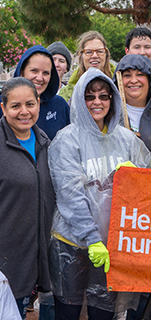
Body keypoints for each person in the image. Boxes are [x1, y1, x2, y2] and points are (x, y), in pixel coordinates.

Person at [48, 67, 151, 319]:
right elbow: (69, 194)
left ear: (113, 99)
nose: (97, 102)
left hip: (113, 245)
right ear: (79, 100)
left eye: (103, 96)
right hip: (71, 243)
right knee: (68, 312)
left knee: (103, 313)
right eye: (90, 96)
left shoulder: (127, 140)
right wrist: (91, 238)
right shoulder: (67, 140)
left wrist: (137, 176)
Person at [0, 77, 55, 319]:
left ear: (39, 104)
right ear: (3, 108)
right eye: (15, 106)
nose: (24, 112)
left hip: (29, 266)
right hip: (4, 267)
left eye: (30, 104)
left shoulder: (46, 144)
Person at [0, 45, 70, 140]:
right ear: (22, 71)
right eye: (34, 71)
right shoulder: (4, 103)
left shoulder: (60, 105)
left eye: (46, 73)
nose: (39, 78)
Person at [59, 31, 116, 104]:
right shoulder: (66, 94)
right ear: (81, 55)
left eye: (100, 51)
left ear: (106, 54)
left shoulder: (120, 84)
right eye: (89, 52)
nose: (95, 56)